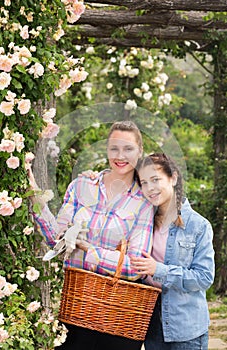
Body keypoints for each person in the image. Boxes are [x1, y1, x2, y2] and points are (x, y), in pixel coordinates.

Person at [28, 121, 154, 350]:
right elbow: (56, 238)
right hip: (77, 309)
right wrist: (33, 192)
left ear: (140, 152)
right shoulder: (81, 185)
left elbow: (135, 267)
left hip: (119, 319)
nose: (120, 155)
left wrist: (89, 251)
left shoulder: (144, 202)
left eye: (128, 149)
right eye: (114, 148)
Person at [130, 153, 215, 350]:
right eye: (144, 182)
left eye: (155, 179)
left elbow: (204, 277)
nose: (150, 188)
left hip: (186, 327)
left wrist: (158, 269)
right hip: (151, 325)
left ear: (173, 178)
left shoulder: (198, 226)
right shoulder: (143, 222)